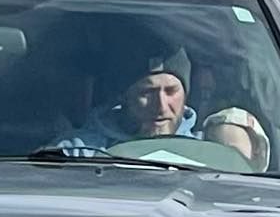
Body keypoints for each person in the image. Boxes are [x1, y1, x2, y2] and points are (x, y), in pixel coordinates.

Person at [54, 43, 199, 152]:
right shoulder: (78, 152)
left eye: (171, 91)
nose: (161, 106)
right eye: (147, 92)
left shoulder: (207, 153)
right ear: (123, 97)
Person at [200, 107, 271, 173]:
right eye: (216, 150)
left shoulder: (263, 185)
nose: (224, 158)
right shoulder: (196, 182)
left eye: (233, 151)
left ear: (256, 147)